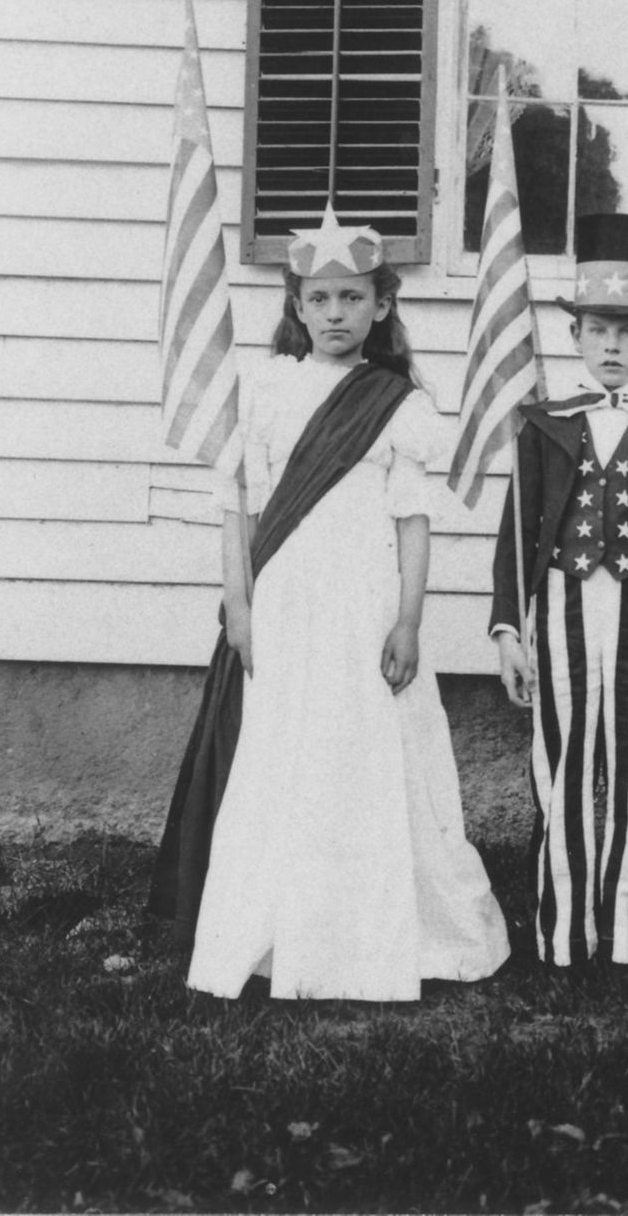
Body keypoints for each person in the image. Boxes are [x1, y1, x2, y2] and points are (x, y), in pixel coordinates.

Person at [181, 203, 509, 1002]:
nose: (336, 313)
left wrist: (408, 619)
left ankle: (381, 933)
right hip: (287, 599)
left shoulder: (395, 401)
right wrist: (238, 605)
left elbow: (411, 520)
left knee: (372, 751)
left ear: (382, 306)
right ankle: (280, 932)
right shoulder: (266, 390)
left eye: (353, 298)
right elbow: (239, 508)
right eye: (320, 299)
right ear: (296, 307)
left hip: (364, 603)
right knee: (286, 753)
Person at [491, 213, 628, 1003]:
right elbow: (517, 533)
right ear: (576, 337)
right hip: (558, 610)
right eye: (596, 329)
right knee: (558, 771)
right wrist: (509, 628)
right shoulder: (546, 423)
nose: (612, 345)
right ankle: (558, 942)